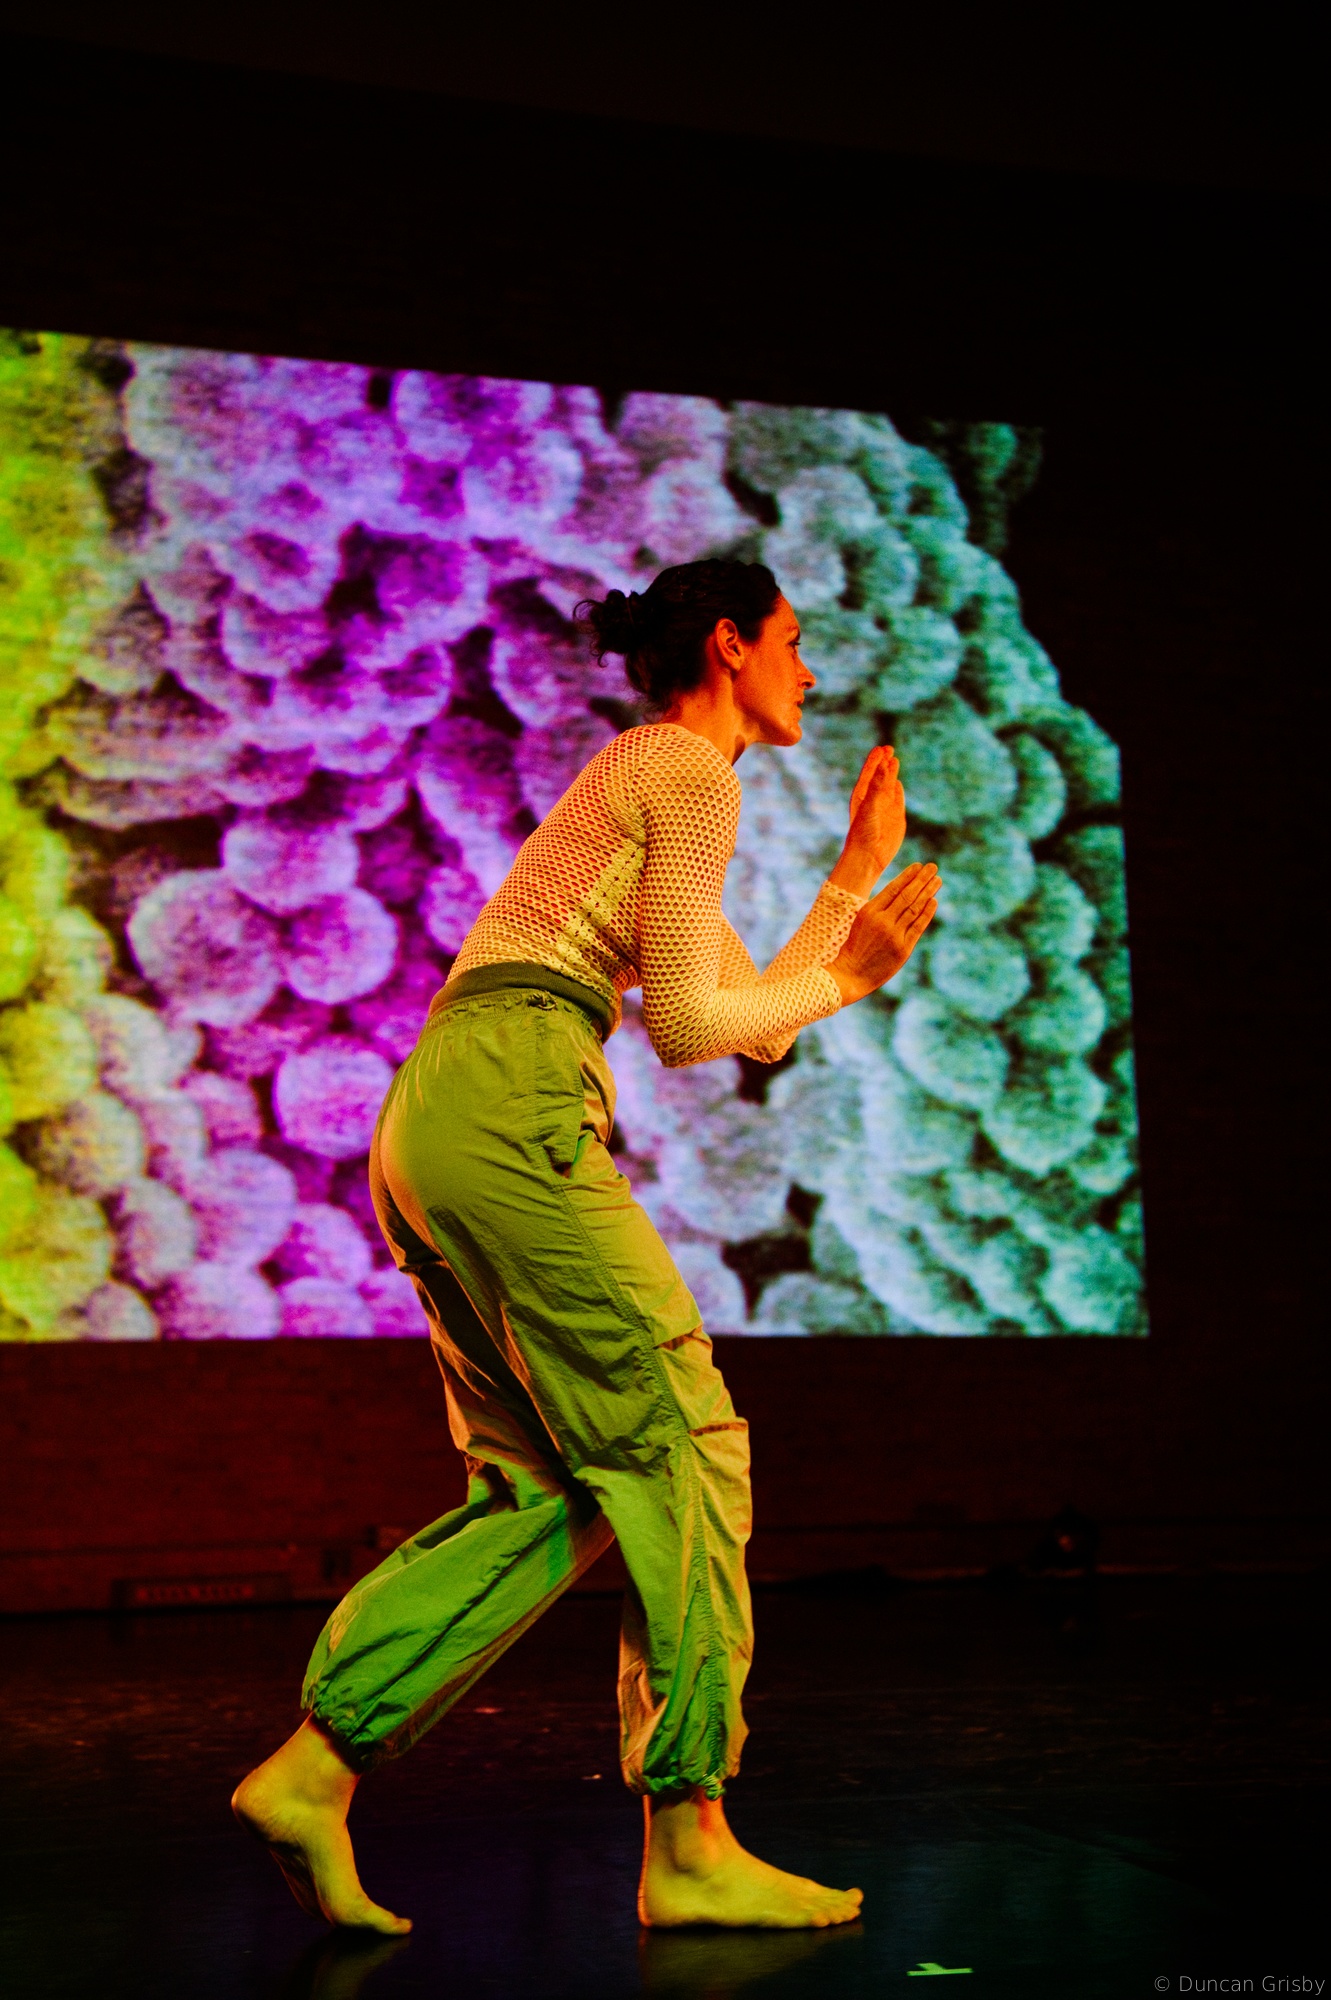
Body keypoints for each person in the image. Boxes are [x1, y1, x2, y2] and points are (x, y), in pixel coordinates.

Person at [232, 559, 940, 1934]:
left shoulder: (649, 775)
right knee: (686, 1443)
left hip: (441, 1115)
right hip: (512, 1097)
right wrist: (850, 970)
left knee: (551, 1484)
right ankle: (691, 1841)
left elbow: (742, 1011)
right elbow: (691, 1026)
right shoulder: (687, 769)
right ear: (729, 644)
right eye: (793, 642)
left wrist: (852, 888)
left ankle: (313, 1773)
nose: (807, 671)